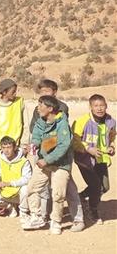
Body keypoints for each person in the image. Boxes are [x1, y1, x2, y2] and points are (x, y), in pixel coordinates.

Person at [24, 95, 77, 235]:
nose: (38, 108)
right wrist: (34, 145)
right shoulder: (40, 121)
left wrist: (47, 160)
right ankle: (36, 216)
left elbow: (63, 146)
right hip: (43, 163)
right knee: (32, 188)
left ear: (50, 108)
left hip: (61, 164)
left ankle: (56, 221)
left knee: (58, 194)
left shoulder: (62, 124)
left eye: (41, 105)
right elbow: (36, 137)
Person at [72, 94, 115, 225]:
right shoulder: (82, 121)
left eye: (102, 105)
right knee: (96, 186)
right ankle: (93, 210)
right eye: (96, 106)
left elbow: (112, 137)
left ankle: (80, 197)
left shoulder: (111, 121)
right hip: (84, 160)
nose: (99, 108)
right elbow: (74, 140)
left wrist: (111, 147)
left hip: (101, 158)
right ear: (90, 107)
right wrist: (87, 149)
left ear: (106, 106)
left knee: (105, 187)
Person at [0, 136, 31, 220]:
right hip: (6, 190)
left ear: (14, 148)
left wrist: (10, 183)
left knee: (25, 189)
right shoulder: (0, 159)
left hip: (19, 192)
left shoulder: (24, 161)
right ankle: (10, 207)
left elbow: (27, 179)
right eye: (4, 148)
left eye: (9, 147)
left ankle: (23, 212)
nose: (6, 150)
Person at [0, 79, 29, 159]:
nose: (15, 93)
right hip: (1, 148)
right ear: (4, 92)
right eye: (13, 91)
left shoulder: (20, 102)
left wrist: (24, 145)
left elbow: (26, 125)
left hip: (17, 146)